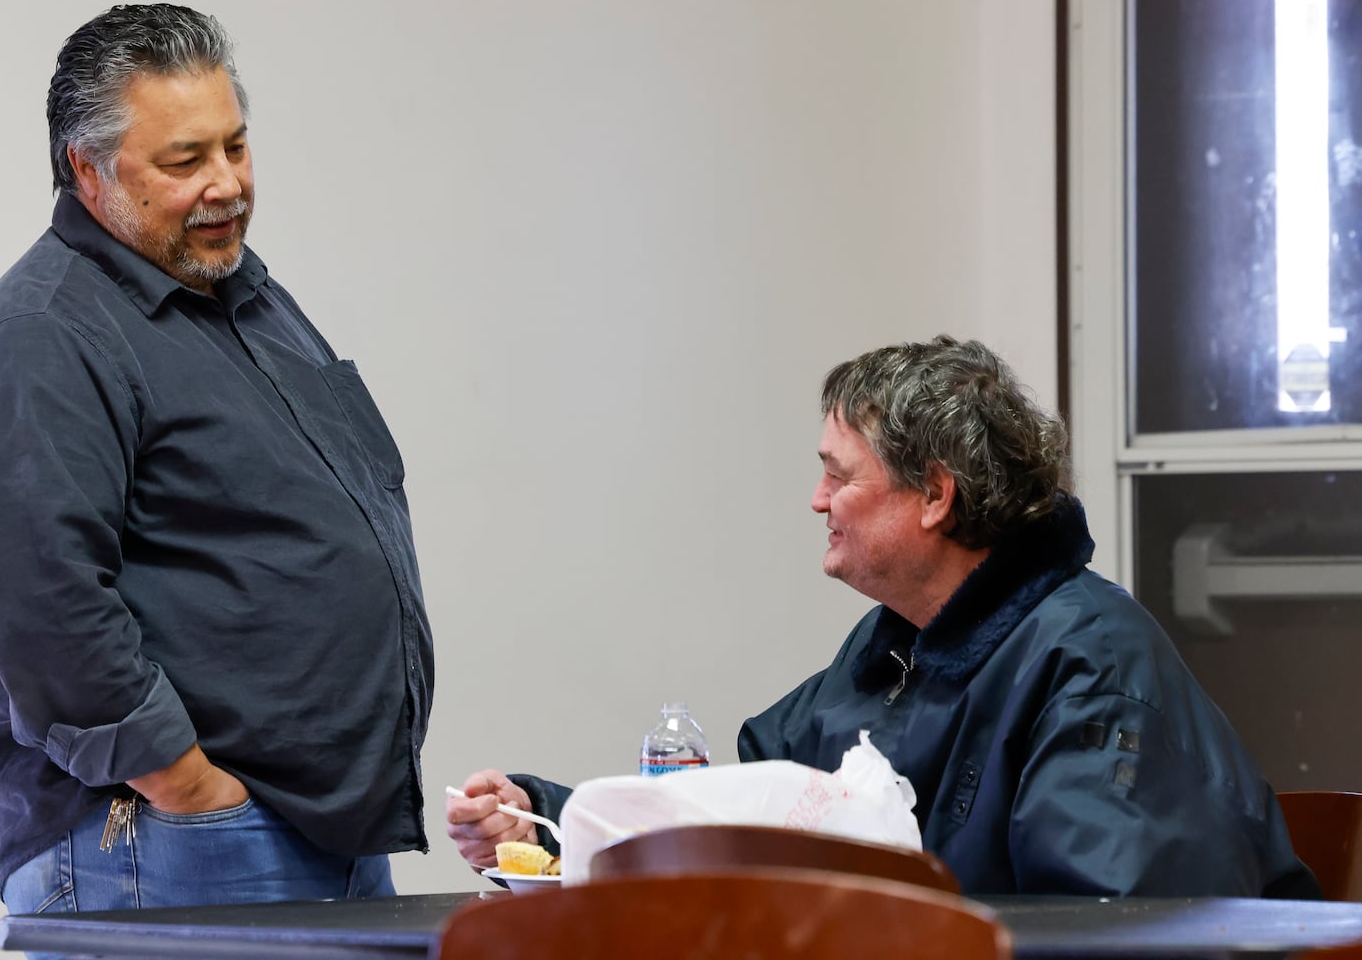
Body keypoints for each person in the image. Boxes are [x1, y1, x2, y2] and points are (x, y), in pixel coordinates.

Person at [448, 336, 1318, 898]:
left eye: (840, 474)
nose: (815, 500)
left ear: (935, 495)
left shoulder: (1090, 665)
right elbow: (739, 815)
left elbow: (1103, 929)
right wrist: (552, 823)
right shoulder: (893, 640)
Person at [0, 4, 433, 920]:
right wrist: (191, 787)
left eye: (236, 147)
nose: (227, 184)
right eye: (185, 161)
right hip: (172, 844)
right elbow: (40, 605)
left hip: (314, 836)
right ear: (86, 170)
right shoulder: (41, 338)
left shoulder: (238, 292)